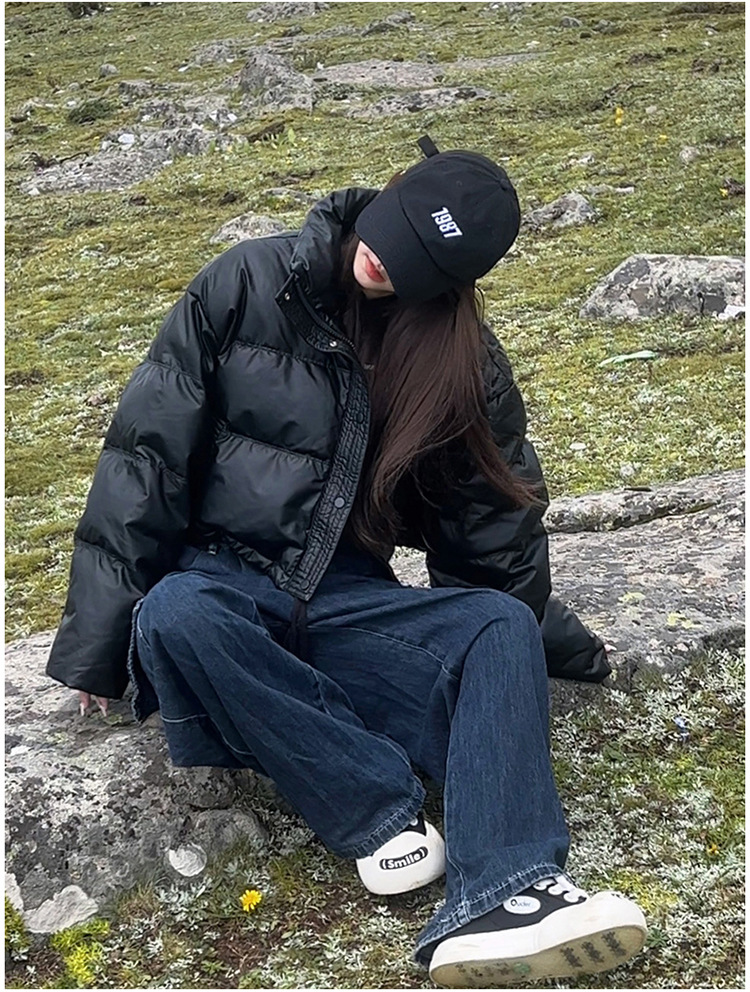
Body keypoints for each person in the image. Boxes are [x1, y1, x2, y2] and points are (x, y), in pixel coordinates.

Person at [47, 134, 647, 987]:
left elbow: (493, 535)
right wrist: (96, 646)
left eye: (417, 263)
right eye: (394, 231)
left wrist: (555, 644)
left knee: (496, 624)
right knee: (175, 613)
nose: (384, 261)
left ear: (454, 281)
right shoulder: (243, 283)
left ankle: (509, 891)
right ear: (388, 192)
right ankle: (380, 818)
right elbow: (144, 462)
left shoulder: (462, 363)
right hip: (221, 599)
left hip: (346, 605)